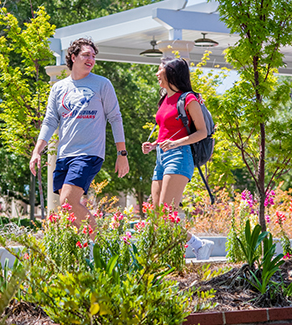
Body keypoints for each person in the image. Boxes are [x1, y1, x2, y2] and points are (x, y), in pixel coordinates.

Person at [29, 38, 129, 234]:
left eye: (93, 56)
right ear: (73, 57)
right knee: (67, 210)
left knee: (68, 200)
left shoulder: (102, 84)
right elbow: (50, 122)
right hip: (65, 155)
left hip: (89, 153)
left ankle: (103, 245)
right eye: (86, 55)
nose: (91, 59)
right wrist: (37, 151)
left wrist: (122, 153)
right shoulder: (59, 88)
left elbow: (115, 118)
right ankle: (87, 248)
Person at [141, 57, 214, 260]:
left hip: (179, 156)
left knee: (166, 212)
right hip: (161, 156)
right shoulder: (165, 99)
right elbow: (167, 131)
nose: (156, 74)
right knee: (156, 215)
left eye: (160, 70)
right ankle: (196, 245)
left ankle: (184, 250)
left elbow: (202, 132)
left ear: (171, 72)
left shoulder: (189, 98)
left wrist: (175, 143)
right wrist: (154, 144)